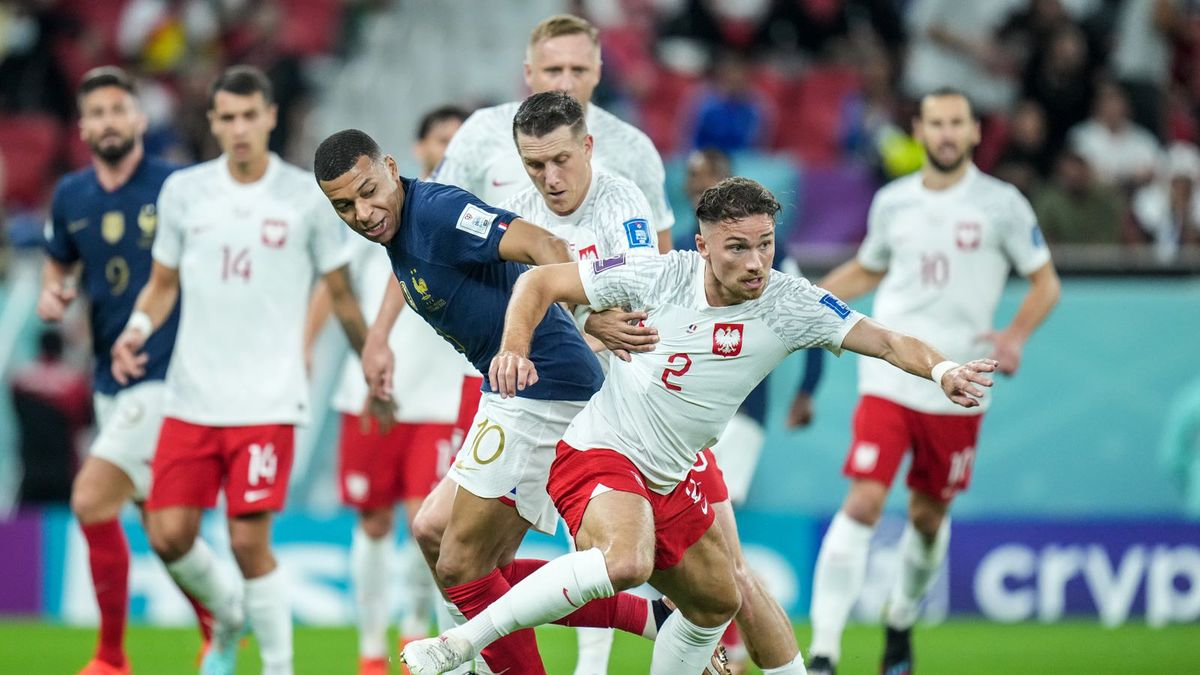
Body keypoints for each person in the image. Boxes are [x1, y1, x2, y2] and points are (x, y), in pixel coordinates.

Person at [401, 176, 999, 675]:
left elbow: (888, 340)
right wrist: (514, 346)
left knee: (717, 603)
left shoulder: (790, 303)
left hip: (675, 467)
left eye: (765, 244)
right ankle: (461, 643)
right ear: (703, 245)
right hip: (596, 443)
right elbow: (537, 280)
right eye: (737, 246)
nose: (756, 261)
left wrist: (942, 369)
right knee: (626, 561)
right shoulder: (658, 274)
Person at [314, 128, 669, 675]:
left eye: (368, 191)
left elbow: (545, 248)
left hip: (540, 385)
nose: (362, 212)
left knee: (462, 564)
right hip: (511, 389)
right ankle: (648, 620)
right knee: (435, 535)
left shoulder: (438, 214)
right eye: (344, 205)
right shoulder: (400, 234)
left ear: (390, 165)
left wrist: (582, 318)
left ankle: (497, 664)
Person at [110, 65, 371, 675]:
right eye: (227, 117)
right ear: (213, 123)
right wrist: (136, 330)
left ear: (271, 117)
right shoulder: (184, 192)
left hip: (268, 398)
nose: (240, 128)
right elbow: (161, 285)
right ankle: (228, 614)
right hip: (191, 397)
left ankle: (277, 667)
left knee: (248, 541)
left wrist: (369, 361)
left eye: (250, 115)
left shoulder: (305, 195)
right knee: (168, 534)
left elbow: (339, 292)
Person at [805, 87, 1061, 675]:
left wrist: (1014, 336)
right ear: (918, 131)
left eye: (957, 123)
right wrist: (803, 301)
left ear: (974, 132)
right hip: (889, 375)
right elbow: (869, 267)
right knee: (865, 501)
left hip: (961, 382)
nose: (945, 133)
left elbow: (1046, 282)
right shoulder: (893, 202)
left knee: (926, 516)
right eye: (935, 123)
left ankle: (899, 622)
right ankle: (824, 652)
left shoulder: (1003, 204)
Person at [38, 65, 212, 675]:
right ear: (83, 127)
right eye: (98, 113)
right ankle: (220, 619)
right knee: (164, 530)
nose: (110, 121)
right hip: (109, 377)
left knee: (89, 499)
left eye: (120, 109)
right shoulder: (71, 196)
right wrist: (52, 294)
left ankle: (110, 657)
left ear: (139, 119)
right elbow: (58, 265)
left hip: (167, 372)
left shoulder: (178, 186)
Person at [303, 103, 472, 675]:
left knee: (430, 524)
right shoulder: (370, 207)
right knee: (373, 521)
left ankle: (418, 637)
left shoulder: (460, 211)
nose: (447, 147)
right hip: (370, 393)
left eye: (457, 138)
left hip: (440, 395)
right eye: (439, 138)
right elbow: (337, 285)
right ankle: (372, 652)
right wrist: (308, 344)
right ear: (417, 148)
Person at [433, 13, 674, 254]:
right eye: (554, 70)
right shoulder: (482, 130)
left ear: (597, 73)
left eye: (578, 70)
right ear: (529, 73)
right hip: (505, 289)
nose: (566, 83)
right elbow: (437, 218)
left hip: (602, 289)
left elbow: (660, 253)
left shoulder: (633, 147)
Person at [10, 329, 91, 505]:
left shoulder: (21, 381)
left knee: (25, 523)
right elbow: (86, 420)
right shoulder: (74, 383)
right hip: (63, 468)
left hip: (30, 467)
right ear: (61, 349)